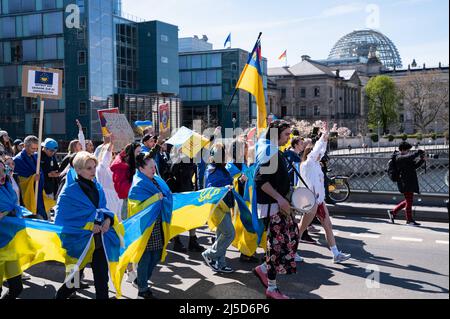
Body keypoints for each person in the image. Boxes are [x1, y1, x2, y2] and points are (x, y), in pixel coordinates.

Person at [54, 152, 116, 299]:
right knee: (72, 284)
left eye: (94, 167)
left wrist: (108, 220)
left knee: (102, 282)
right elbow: (61, 220)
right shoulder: (68, 192)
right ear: (78, 170)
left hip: (98, 242)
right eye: (89, 168)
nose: (94, 171)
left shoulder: (97, 186)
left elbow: (103, 209)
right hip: (78, 244)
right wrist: (88, 226)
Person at [252, 120, 300, 299]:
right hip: (273, 207)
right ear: (276, 134)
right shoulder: (270, 152)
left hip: (278, 206)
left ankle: (263, 269)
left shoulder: (271, 149)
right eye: (286, 134)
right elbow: (260, 180)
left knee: (290, 237)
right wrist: (280, 199)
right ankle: (271, 288)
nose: (289, 138)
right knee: (277, 246)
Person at [297, 123, 351, 264]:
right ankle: (290, 251)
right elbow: (316, 150)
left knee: (328, 226)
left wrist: (326, 137)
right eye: (318, 155)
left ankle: (336, 254)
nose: (321, 156)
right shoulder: (308, 164)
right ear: (310, 155)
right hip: (310, 202)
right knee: (301, 228)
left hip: (318, 201)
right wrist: (322, 136)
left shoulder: (315, 165)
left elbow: (320, 149)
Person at [128, 153, 172, 299]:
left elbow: (167, 195)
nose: (154, 169)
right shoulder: (138, 184)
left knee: (157, 255)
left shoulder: (156, 180)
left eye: (155, 166)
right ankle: (143, 289)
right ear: (141, 168)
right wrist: (155, 198)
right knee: (146, 258)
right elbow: (135, 209)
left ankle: (140, 280)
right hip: (147, 227)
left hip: (159, 223)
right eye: (151, 167)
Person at [0, 158, 34, 299]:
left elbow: (15, 207)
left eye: (4, 170)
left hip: (10, 244)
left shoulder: (7, 186)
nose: (2, 174)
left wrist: (29, 215)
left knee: (17, 288)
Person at [201, 143, 236, 274]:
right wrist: (225, 187)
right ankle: (209, 254)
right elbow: (211, 190)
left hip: (223, 206)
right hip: (217, 208)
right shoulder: (212, 169)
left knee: (221, 235)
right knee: (229, 233)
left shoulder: (218, 168)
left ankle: (220, 263)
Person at [387, 142, 426, 226]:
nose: (409, 151)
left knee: (408, 200)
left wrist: (422, 160)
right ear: (403, 150)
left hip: (409, 181)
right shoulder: (399, 157)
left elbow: (414, 166)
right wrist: (418, 152)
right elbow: (409, 157)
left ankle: (393, 212)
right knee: (409, 201)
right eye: (408, 150)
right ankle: (409, 220)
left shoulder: (405, 157)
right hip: (404, 182)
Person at [13, 136, 49, 220]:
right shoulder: (17, 160)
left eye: (36, 148)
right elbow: (19, 180)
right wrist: (32, 178)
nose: (35, 151)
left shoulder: (36, 156)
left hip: (38, 193)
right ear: (25, 146)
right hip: (28, 195)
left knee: (42, 217)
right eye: (33, 148)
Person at [95, 137, 123, 222]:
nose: (114, 157)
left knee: (118, 222)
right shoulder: (101, 168)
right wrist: (111, 144)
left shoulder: (116, 170)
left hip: (117, 199)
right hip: (107, 200)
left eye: (115, 154)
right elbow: (105, 160)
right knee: (108, 223)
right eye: (112, 154)